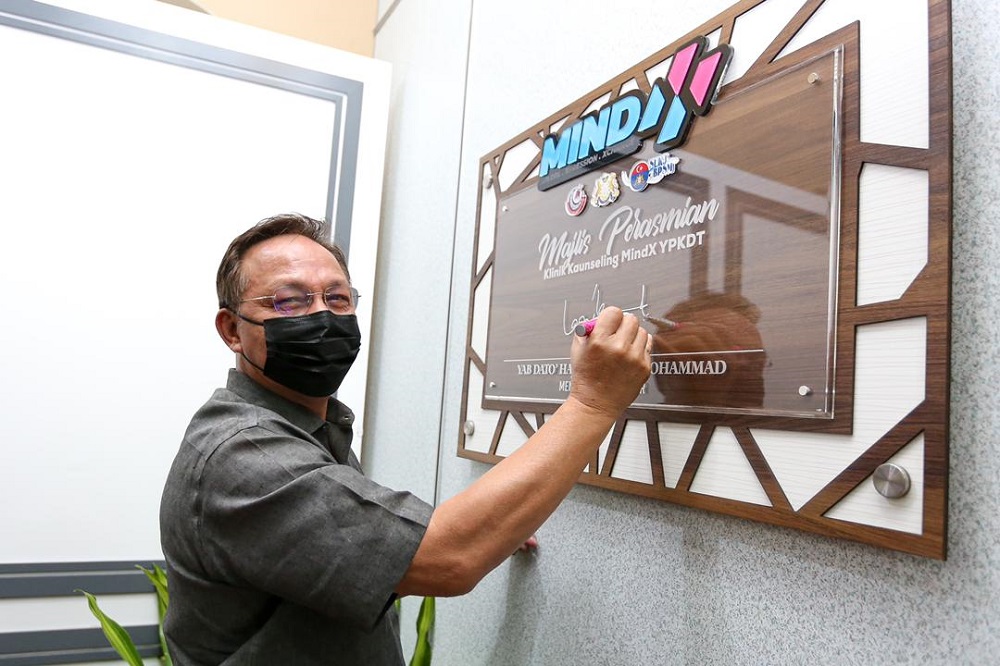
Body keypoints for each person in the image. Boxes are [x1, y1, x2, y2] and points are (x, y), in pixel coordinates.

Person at [160, 213, 652, 664]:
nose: (323, 315)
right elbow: (449, 559)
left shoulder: (308, 426)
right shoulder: (245, 452)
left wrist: (491, 522)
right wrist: (593, 403)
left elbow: (343, 556)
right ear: (231, 328)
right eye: (290, 300)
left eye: (337, 298)